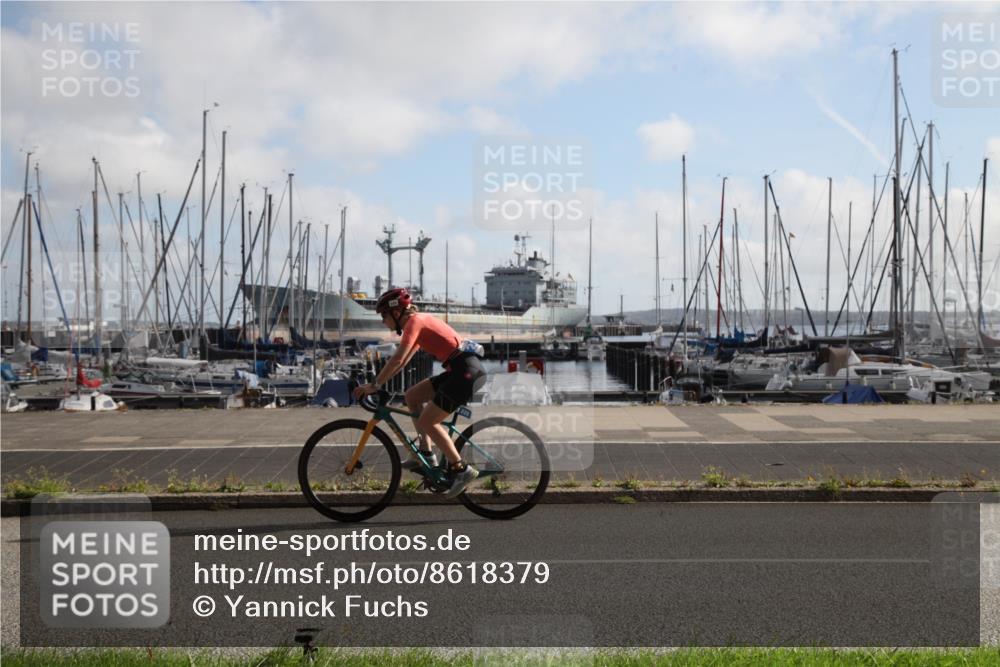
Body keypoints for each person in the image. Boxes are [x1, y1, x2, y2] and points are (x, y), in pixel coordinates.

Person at [352, 287, 486, 498]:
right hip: (458, 370)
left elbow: (397, 359)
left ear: (396, 313)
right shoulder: (417, 324)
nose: (383, 321)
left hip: (465, 373)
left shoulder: (415, 322)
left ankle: (461, 469)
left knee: (427, 421)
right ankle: (425, 453)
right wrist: (380, 383)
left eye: (384, 315)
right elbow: (403, 360)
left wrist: (375, 385)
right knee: (412, 396)